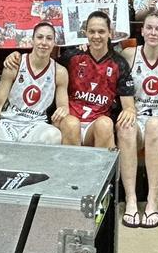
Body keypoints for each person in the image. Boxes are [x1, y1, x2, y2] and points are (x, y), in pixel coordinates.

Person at [116, 12, 158, 228]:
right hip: (137, 117)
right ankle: (131, 200)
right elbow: (106, 61)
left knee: (154, 125)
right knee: (125, 126)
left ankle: (153, 202)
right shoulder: (129, 54)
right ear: (142, 31)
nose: (153, 32)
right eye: (149, 28)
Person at [0, 21, 67, 144]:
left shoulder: (60, 72)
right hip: (8, 122)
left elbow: (63, 106)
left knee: (53, 135)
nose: (44, 42)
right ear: (32, 40)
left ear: (54, 43)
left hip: (36, 125)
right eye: (39, 37)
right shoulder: (15, 64)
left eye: (49, 38)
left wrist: (63, 109)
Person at [57, 11, 135, 150]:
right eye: (92, 31)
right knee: (71, 124)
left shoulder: (119, 63)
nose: (96, 36)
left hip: (95, 125)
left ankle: (103, 164)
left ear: (110, 33)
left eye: (101, 31)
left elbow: (128, 105)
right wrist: (17, 57)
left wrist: (130, 110)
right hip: (70, 121)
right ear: (85, 33)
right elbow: (46, 66)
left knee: (105, 124)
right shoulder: (72, 57)